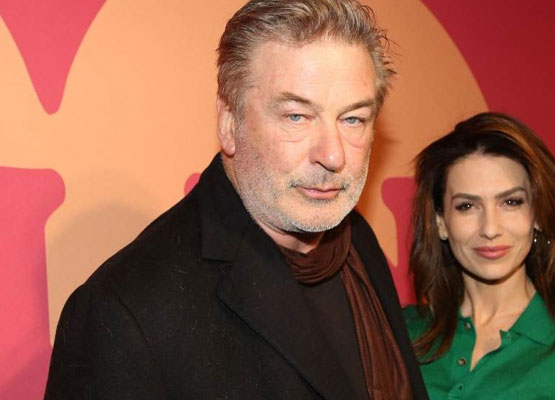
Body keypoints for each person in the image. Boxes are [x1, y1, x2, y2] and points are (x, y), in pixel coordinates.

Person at [44, 1, 429, 399]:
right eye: (296, 116)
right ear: (229, 122)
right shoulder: (124, 312)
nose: (333, 156)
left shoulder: (357, 241)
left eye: (353, 119)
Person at [403, 112, 555, 399]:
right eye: (467, 206)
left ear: (537, 214)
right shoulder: (399, 333)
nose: (490, 229)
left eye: (511, 202)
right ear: (441, 222)